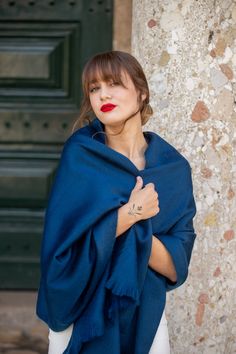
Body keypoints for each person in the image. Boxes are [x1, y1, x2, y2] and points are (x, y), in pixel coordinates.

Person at [36, 50, 197, 354]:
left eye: (114, 84)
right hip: (79, 312)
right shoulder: (81, 156)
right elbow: (60, 253)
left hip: (144, 315)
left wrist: (128, 232)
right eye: (94, 88)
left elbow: (176, 265)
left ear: (142, 93)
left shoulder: (173, 169)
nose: (103, 94)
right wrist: (133, 213)